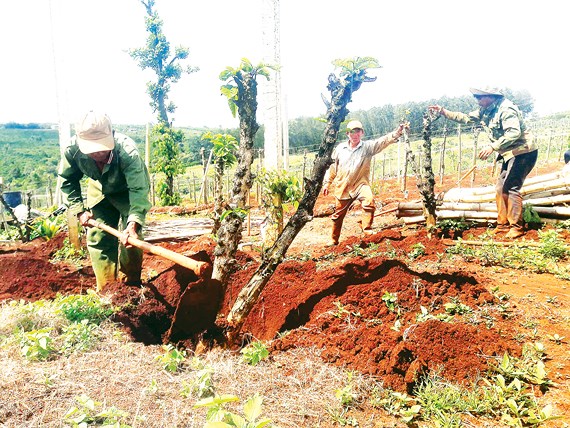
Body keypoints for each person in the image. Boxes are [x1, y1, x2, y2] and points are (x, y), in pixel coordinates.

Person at [58, 111, 151, 290]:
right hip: (99, 189)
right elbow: (67, 180)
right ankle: (108, 289)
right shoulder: (72, 150)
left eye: (102, 146)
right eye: (92, 149)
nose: (98, 152)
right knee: (97, 237)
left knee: (132, 239)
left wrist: (133, 223)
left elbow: (139, 189)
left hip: (127, 193)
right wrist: (79, 210)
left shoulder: (127, 152)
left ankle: (130, 287)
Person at [430, 87, 538, 239]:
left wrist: (492, 147)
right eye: (476, 97)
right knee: (500, 188)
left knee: (511, 187)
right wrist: (443, 112)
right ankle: (503, 224)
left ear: (491, 96)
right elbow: (466, 118)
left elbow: (513, 133)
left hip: (523, 151)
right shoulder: (486, 109)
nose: (477, 100)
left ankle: (516, 227)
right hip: (509, 153)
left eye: (479, 97)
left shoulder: (506, 109)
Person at [322, 119, 407, 246]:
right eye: (352, 132)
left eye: (357, 132)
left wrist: (397, 132)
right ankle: (334, 240)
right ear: (347, 134)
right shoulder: (340, 149)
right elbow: (333, 167)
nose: (354, 135)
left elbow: (382, 141)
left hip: (360, 184)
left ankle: (367, 230)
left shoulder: (367, 147)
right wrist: (327, 183)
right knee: (338, 215)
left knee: (369, 201)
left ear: (362, 133)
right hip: (343, 186)